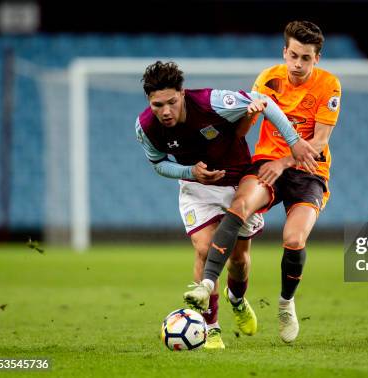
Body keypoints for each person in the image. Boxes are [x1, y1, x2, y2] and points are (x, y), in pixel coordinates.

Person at [135, 61, 319, 349]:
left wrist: (293, 141)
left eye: (172, 102)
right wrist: (189, 172)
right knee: (204, 248)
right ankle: (211, 327)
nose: (166, 111)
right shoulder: (146, 127)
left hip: (238, 183)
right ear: (149, 101)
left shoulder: (213, 102)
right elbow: (158, 164)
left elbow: (265, 103)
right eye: (158, 105)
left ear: (182, 94)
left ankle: (237, 299)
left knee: (238, 260)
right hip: (197, 186)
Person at [183, 20, 342, 343]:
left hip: (309, 170)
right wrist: (248, 114)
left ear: (317, 59)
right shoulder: (269, 79)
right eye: (293, 56)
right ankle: (208, 285)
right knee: (240, 204)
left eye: (306, 58)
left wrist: (284, 163)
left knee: (295, 239)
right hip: (267, 164)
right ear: (285, 52)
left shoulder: (330, 86)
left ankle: (285, 304)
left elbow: (320, 142)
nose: (298, 64)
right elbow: (242, 131)